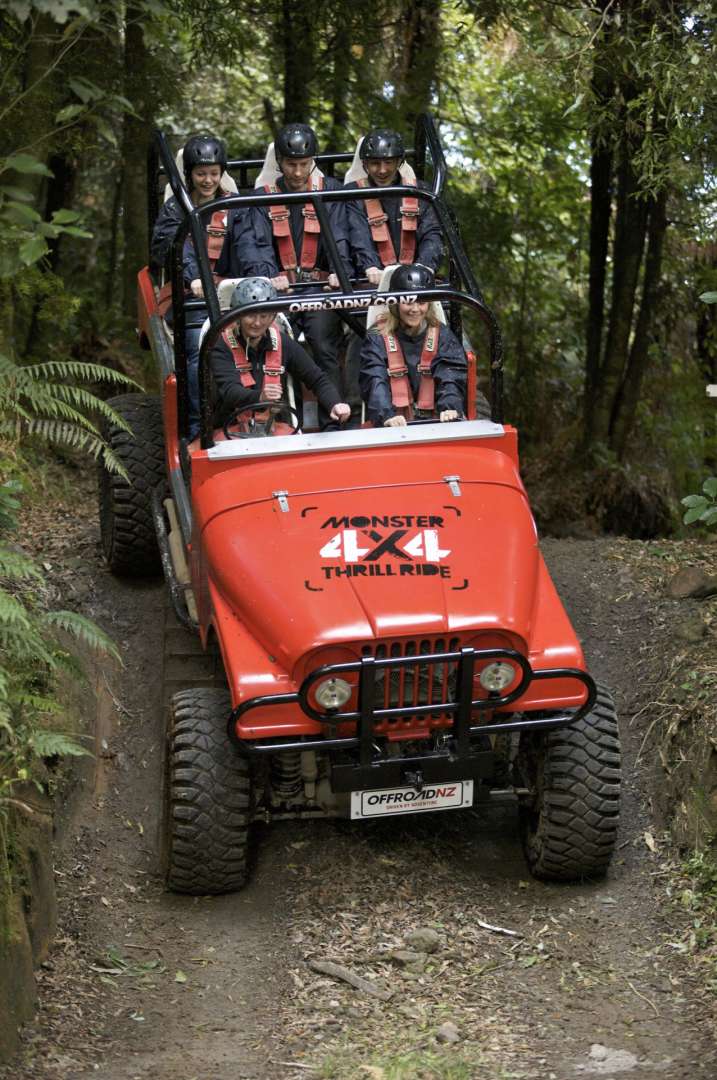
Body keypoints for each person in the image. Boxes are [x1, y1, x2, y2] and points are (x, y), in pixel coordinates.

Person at [227, 123, 352, 421]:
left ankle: (333, 422)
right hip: (277, 292)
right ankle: (277, 421)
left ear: (313, 162)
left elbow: (341, 238)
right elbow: (252, 245)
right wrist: (268, 276)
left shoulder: (331, 193)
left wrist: (339, 271)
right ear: (280, 163)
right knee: (272, 340)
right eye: (291, 165)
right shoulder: (260, 199)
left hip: (319, 290)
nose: (297, 173)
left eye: (304, 165)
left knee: (323, 340)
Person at [150, 134, 234, 439]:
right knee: (198, 346)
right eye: (201, 174)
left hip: (231, 293)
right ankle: (198, 425)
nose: (208, 180)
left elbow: (251, 247)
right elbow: (165, 248)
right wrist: (192, 276)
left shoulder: (235, 207)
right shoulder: (176, 210)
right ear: (190, 175)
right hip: (189, 297)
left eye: (214, 173)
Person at [210, 277, 351, 432]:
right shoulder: (222, 345)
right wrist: (260, 397)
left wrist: (335, 403)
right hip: (230, 429)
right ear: (237, 314)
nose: (257, 323)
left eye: (264, 316)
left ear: (273, 317)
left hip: (275, 429)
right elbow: (230, 391)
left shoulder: (282, 342)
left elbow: (317, 378)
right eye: (250, 315)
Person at [359, 264, 466, 427]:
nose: (415, 309)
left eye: (422, 302)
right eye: (408, 302)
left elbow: (451, 373)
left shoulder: (442, 335)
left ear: (429, 304)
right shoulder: (376, 336)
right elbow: (374, 377)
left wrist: (450, 407)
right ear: (395, 303)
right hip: (393, 425)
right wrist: (386, 415)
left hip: (437, 423)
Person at [345, 129, 443, 284]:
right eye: (375, 163)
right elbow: (358, 233)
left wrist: (426, 265)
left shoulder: (421, 192)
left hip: (416, 279)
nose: (382, 170)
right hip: (370, 279)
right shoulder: (353, 194)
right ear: (365, 164)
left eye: (388, 162)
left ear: (399, 162)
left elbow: (432, 232)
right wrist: (370, 266)